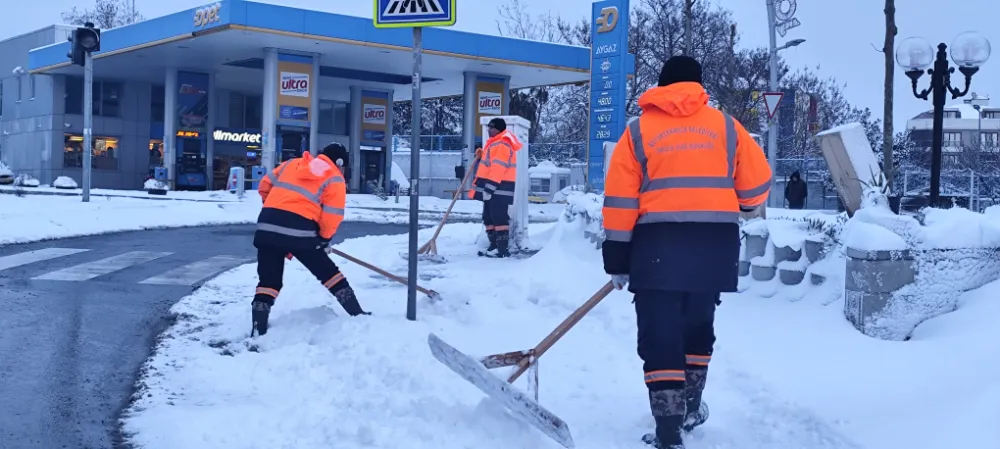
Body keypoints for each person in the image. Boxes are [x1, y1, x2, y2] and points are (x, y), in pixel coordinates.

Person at [601, 55, 772, 449]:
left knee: (660, 337)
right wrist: (741, 203)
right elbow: (755, 190)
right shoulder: (727, 127)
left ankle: (668, 431)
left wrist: (617, 256)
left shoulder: (638, 132)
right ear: (699, 86)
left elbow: (621, 201)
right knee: (698, 328)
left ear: (660, 87)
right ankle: (691, 408)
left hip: (657, 247)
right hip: (714, 247)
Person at [250, 142, 369, 337]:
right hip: (301, 232)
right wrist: (323, 238)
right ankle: (357, 314)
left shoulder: (291, 164)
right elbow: (332, 215)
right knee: (329, 273)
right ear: (339, 163)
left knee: (269, 280)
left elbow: (264, 186)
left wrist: (274, 209)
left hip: (267, 227)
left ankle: (257, 328)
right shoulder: (334, 178)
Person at [467, 118, 523, 258]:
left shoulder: (502, 144)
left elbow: (498, 169)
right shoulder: (493, 144)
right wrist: (482, 155)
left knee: (499, 218)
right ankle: (493, 246)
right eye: (488, 127)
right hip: (493, 188)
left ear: (499, 129)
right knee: (488, 217)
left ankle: (502, 249)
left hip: (499, 189)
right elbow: (489, 165)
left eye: (492, 127)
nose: (489, 129)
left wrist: (489, 189)